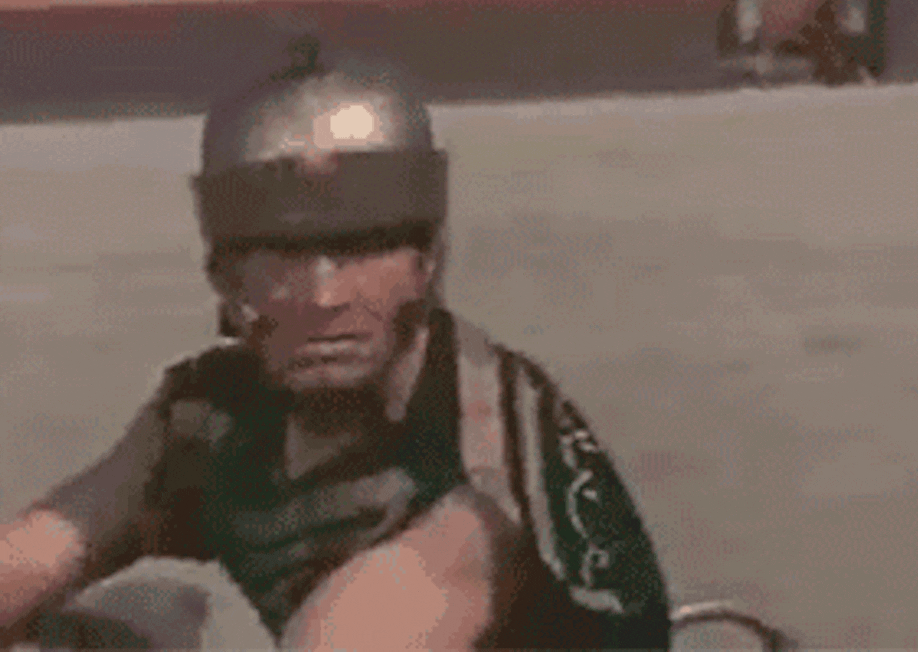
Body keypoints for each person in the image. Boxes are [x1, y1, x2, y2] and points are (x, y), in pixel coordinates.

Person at [0, 40, 671, 650]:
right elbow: (41, 550)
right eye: (281, 257)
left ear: (426, 263)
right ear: (224, 279)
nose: (323, 298)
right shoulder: (212, 417)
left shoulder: (485, 439)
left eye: (360, 250)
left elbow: (351, 633)